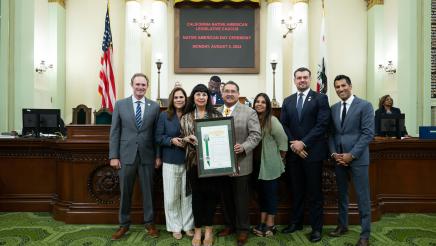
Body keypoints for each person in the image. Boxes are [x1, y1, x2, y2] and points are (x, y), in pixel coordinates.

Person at [280, 67, 330, 242]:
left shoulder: (320, 98)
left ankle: (317, 228)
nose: (302, 80)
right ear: (294, 80)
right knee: (296, 190)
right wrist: (295, 144)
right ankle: (296, 222)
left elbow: (322, 124)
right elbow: (283, 126)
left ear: (310, 79)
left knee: (315, 193)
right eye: (298, 78)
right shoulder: (288, 101)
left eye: (305, 77)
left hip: (313, 153)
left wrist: (304, 143)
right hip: (294, 154)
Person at [109, 73, 161, 240]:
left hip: (147, 156)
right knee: (125, 192)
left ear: (147, 86)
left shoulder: (154, 106)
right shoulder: (120, 104)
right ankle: (124, 224)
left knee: (148, 191)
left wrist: (158, 156)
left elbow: (156, 134)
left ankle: (149, 223)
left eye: (143, 85)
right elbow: (115, 132)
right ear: (132, 85)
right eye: (137, 84)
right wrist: (114, 156)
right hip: (125, 156)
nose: (140, 87)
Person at [328, 75, 374, 246]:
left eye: (343, 85)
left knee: (362, 197)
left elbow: (367, 133)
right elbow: (331, 134)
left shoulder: (365, 105)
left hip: (358, 159)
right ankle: (342, 225)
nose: (341, 89)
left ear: (350, 86)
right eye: (337, 87)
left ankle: (365, 235)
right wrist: (334, 154)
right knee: (342, 195)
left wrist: (351, 155)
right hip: (339, 160)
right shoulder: (333, 108)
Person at [217, 81, 261, 246]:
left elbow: (256, 135)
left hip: (241, 163)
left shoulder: (249, 111)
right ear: (222, 94)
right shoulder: (215, 112)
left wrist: (243, 147)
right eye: (226, 91)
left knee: (241, 199)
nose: (229, 93)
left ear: (238, 93)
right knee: (225, 197)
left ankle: (243, 230)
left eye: (233, 91)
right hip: (220, 164)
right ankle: (229, 225)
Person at [180, 84, 222, 246]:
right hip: (193, 163)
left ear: (208, 98)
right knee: (197, 197)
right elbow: (182, 139)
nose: (201, 97)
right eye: (198, 94)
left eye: (204, 94)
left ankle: (209, 231)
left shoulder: (216, 115)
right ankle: (198, 231)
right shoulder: (186, 117)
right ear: (194, 97)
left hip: (213, 163)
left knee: (211, 196)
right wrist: (186, 139)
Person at [155, 87, 194, 240]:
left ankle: (188, 226)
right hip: (170, 160)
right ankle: (175, 226)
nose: (179, 99)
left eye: (182, 97)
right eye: (176, 97)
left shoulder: (190, 115)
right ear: (172, 99)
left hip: (188, 160)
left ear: (186, 99)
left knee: (187, 196)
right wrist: (171, 140)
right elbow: (158, 137)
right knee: (171, 196)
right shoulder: (164, 115)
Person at [251, 93, 288, 237]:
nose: (259, 104)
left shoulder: (272, 120)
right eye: (257, 102)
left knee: (271, 195)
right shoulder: (253, 120)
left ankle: (271, 225)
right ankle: (262, 223)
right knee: (262, 195)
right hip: (257, 165)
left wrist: (279, 159)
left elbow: (283, 142)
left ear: (267, 105)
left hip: (270, 165)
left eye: (263, 102)